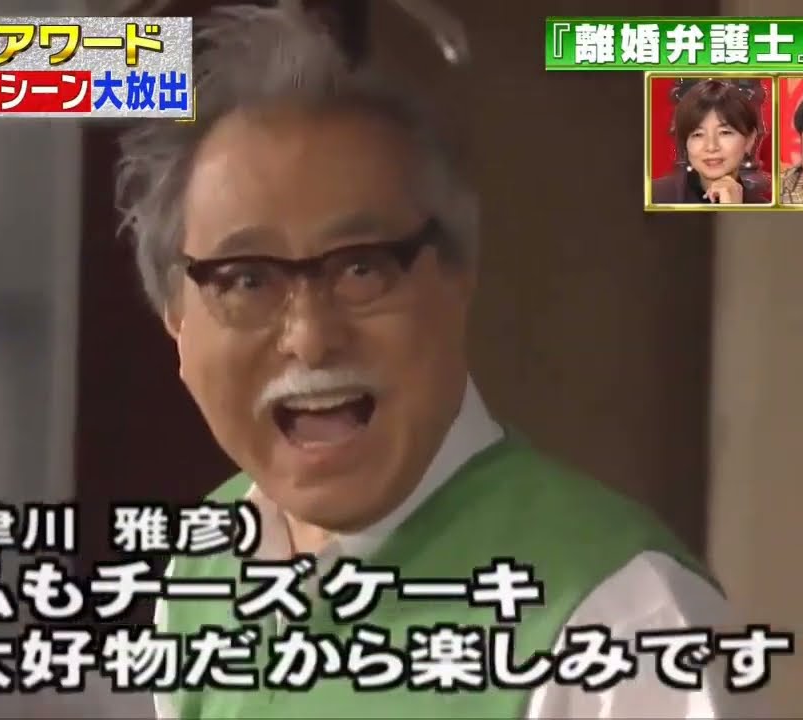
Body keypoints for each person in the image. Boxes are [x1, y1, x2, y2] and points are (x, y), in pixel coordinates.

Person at [116, 6, 749, 718]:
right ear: (176, 322)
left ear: (458, 277)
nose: (310, 338)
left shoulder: (625, 621)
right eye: (246, 280)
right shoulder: (204, 565)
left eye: (361, 268)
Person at [650, 79, 772, 205]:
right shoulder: (653, 197)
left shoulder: (762, 208)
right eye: (698, 134)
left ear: (750, 139)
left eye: (725, 133)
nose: (711, 147)